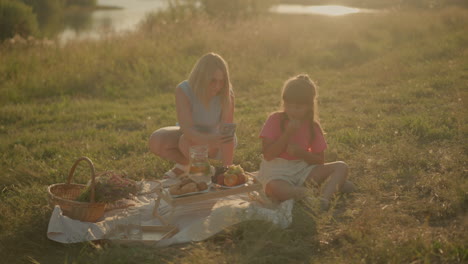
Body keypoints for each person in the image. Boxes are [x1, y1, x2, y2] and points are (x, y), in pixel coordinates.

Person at [257, 74, 355, 210]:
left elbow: (320, 160)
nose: (292, 111)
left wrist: (301, 153)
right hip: (277, 172)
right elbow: (268, 155)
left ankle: (323, 200)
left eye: (298, 107)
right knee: (275, 188)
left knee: (341, 167)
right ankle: (315, 191)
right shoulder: (275, 120)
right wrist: (287, 134)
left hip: (302, 170)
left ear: (309, 106)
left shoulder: (312, 126)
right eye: (288, 106)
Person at [149, 53, 235, 178]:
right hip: (191, 136)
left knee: (185, 142)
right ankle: (191, 166)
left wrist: (228, 169)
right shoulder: (184, 90)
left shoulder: (227, 94)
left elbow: (227, 134)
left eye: (221, 81)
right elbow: (187, 129)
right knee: (156, 141)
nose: (217, 86)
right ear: (202, 78)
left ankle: (202, 172)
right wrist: (207, 139)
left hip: (216, 140)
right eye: (213, 81)